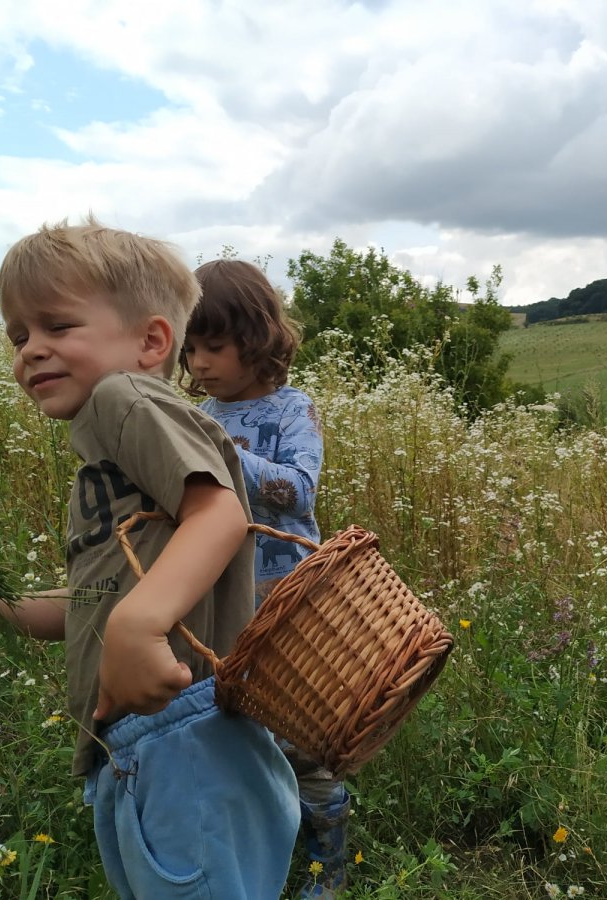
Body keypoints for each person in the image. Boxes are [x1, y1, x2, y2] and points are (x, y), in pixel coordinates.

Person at [0, 218, 300, 899]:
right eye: (18, 335)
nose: (31, 350)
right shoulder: (104, 457)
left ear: (150, 342)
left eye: (57, 326)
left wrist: (137, 626)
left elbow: (222, 514)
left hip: (185, 736)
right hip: (143, 746)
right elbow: (95, 605)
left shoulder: (127, 398)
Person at [178, 259, 348, 898]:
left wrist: (222, 450)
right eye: (190, 349)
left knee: (303, 733)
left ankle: (325, 863)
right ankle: (263, 850)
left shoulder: (291, 408)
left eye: (214, 347)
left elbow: (299, 490)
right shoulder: (196, 413)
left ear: (256, 340)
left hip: (291, 598)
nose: (199, 363)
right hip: (221, 599)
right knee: (241, 731)